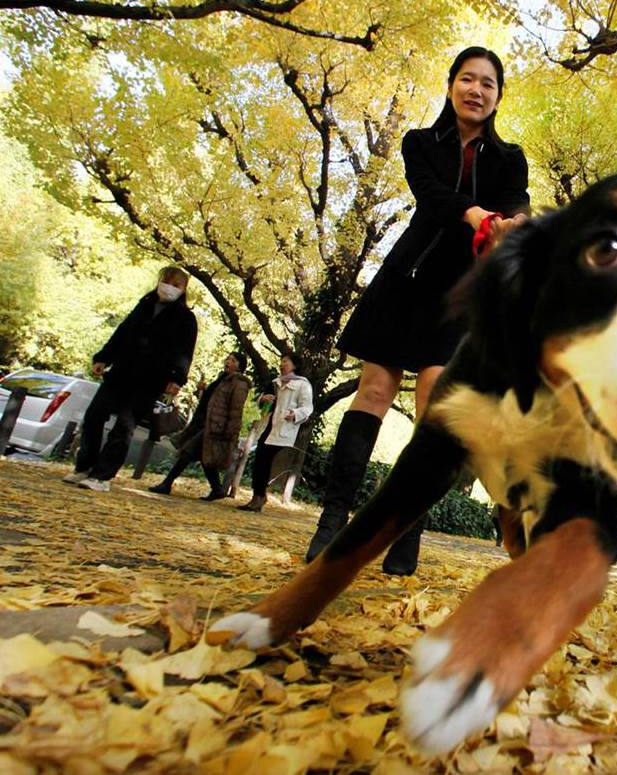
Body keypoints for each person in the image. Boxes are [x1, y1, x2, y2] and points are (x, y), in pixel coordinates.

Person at [304, 46, 530, 574]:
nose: (476, 90)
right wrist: (476, 214)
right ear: (451, 85)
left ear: (498, 97)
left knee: (433, 405)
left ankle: (404, 534)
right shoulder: (420, 142)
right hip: (406, 279)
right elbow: (430, 197)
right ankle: (332, 522)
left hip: (459, 293)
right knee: (375, 391)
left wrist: (515, 223)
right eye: (467, 79)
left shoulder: (508, 156)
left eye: (488, 84)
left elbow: (517, 198)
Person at [65, 266, 197, 492]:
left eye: (176, 285)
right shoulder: (144, 305)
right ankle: (84, 466)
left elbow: (185, 351)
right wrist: (104, 357)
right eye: (167, 281)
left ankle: (102, 476)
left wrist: (176, 378)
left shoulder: (186, 318)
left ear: (183, 289)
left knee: (124, 427)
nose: (169, 288)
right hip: (120, 372)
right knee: (94, 416)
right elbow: (122, 332)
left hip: (150, 380)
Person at [149, 352, 251, 500]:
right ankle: (217, 489)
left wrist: (230, 431)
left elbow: (236, 410)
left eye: (233, 360)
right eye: (227, 358)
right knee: (205, 458)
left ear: (240, 366)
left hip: (216, 427)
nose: (228, 361)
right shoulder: (222, 379)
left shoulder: (239, 384)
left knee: (187, 453)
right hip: (205, 425)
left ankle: (167, 483)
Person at [237, 353, 313, 512]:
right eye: (281, 361)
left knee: (262, 461)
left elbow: (307, 408)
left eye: (286, 361)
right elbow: (261, 402)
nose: (282, 364)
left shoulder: (303, 385)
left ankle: (259, 497)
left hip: (283, 428)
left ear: (294, 365)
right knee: (260, 461)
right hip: (268, 426)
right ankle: (258, 496)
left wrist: (295, 414)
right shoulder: (275, 383)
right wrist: (263, 399)